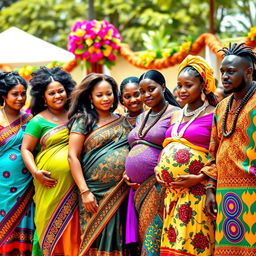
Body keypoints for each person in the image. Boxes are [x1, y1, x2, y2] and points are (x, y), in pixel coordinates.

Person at [154, 55, 218, 255]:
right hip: (172, 194)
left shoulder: (215, 114)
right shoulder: (175, 115)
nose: (181, 90)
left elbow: (220, 154)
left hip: (197, 193)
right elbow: (167, 146)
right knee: (173, 246)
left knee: (194, 244)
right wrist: (158, 168)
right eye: (179, 85)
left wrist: (200, 178)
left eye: (188, 85)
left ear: (203, 85)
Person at [67, 73, 131, 256]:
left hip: (121, 192)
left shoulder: (122, 119)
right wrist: (85, 191)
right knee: (94, 240)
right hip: (94, 194)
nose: (105, 98)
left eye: (109, 93)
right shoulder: (84, 120)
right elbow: (72, 156)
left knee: (120, 238)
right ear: (90, 97)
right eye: (99, 95)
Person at [202, 43, 256, 256]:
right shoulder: (222, 107)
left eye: (231, 72)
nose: (224, 76)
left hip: (252, 192)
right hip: (226, 196)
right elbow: (213, 150)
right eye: (222, 71)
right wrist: (209, 188)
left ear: (249, 72)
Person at [21, 67, 80, 256]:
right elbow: (26, 149)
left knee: (73, 235)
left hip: (74, 187)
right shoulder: (37, 121)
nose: (57, 96)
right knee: (48, 231)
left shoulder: (76, 115)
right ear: (43, 97)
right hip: (49, 187)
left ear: (68, 90)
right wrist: (35, 172)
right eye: (51, 93)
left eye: (60, 91)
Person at [123, 70, 180, 256]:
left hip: (158, 186)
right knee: (143, 237)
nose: (146, 95)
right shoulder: (141, 117)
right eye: (142, 91)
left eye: (151, 89)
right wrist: (127, 171)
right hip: (136, 189)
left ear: (163, 87)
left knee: (152, 238)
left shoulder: (175, 113)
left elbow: (174, 144)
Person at [0, 71, 35, 255]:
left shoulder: (30, 121)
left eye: (23, 93)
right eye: (15, 94)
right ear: (4, 95)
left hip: (25, 188)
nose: (20, 98)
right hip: (1, 189)